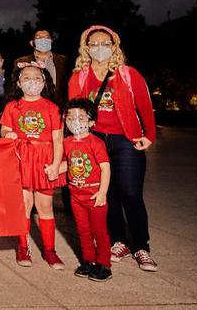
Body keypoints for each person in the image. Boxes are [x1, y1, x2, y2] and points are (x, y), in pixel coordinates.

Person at [68, 25, 157, 272]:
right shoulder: (80, 77)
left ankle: (141, 246)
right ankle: (118, 241)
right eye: (94, 44)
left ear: (114, 46)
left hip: (125, 140)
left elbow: (145, 105)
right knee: (106, 194)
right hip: (94, 141)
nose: (99, 48)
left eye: (105, 43)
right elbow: (75, 108)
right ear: (86, 48)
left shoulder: (128, 74)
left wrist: (149, 135)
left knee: (130, 193)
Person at [0, 62, 65, 270]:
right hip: (22, 158)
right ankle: (23, 247)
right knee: (25, 205)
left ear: (44, 82)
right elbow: (4, 130)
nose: (31, 82)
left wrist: (56, 164)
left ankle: (50, 250)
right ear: (19, 83)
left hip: (45, 160)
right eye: (26, 78)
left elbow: (58, 140)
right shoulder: (12, 106)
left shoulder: (52, 107)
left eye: (36, 78)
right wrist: (7, 134)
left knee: (45, 207)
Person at [62, 98, 113, 282]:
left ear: (92, 122)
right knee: (82, 230)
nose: (75, 121)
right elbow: (66, 165)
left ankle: (104, 264)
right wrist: (52, 169)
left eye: (81, 117)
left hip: (94, 195)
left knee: (99, 231)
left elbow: (106, 168)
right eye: (70, 117)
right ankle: (88, 261)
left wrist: (102, 192)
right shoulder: (67, 142)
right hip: (76, 197)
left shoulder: (96, 143)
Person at [14, 30, 69, 108]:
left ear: (51, 41)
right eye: (39, 38)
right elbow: (15, 86)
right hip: (32, 105)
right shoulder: (21, 61)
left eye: (47, 37)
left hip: (59, 106)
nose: (44, 40)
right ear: (32, 43)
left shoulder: (63, 60)